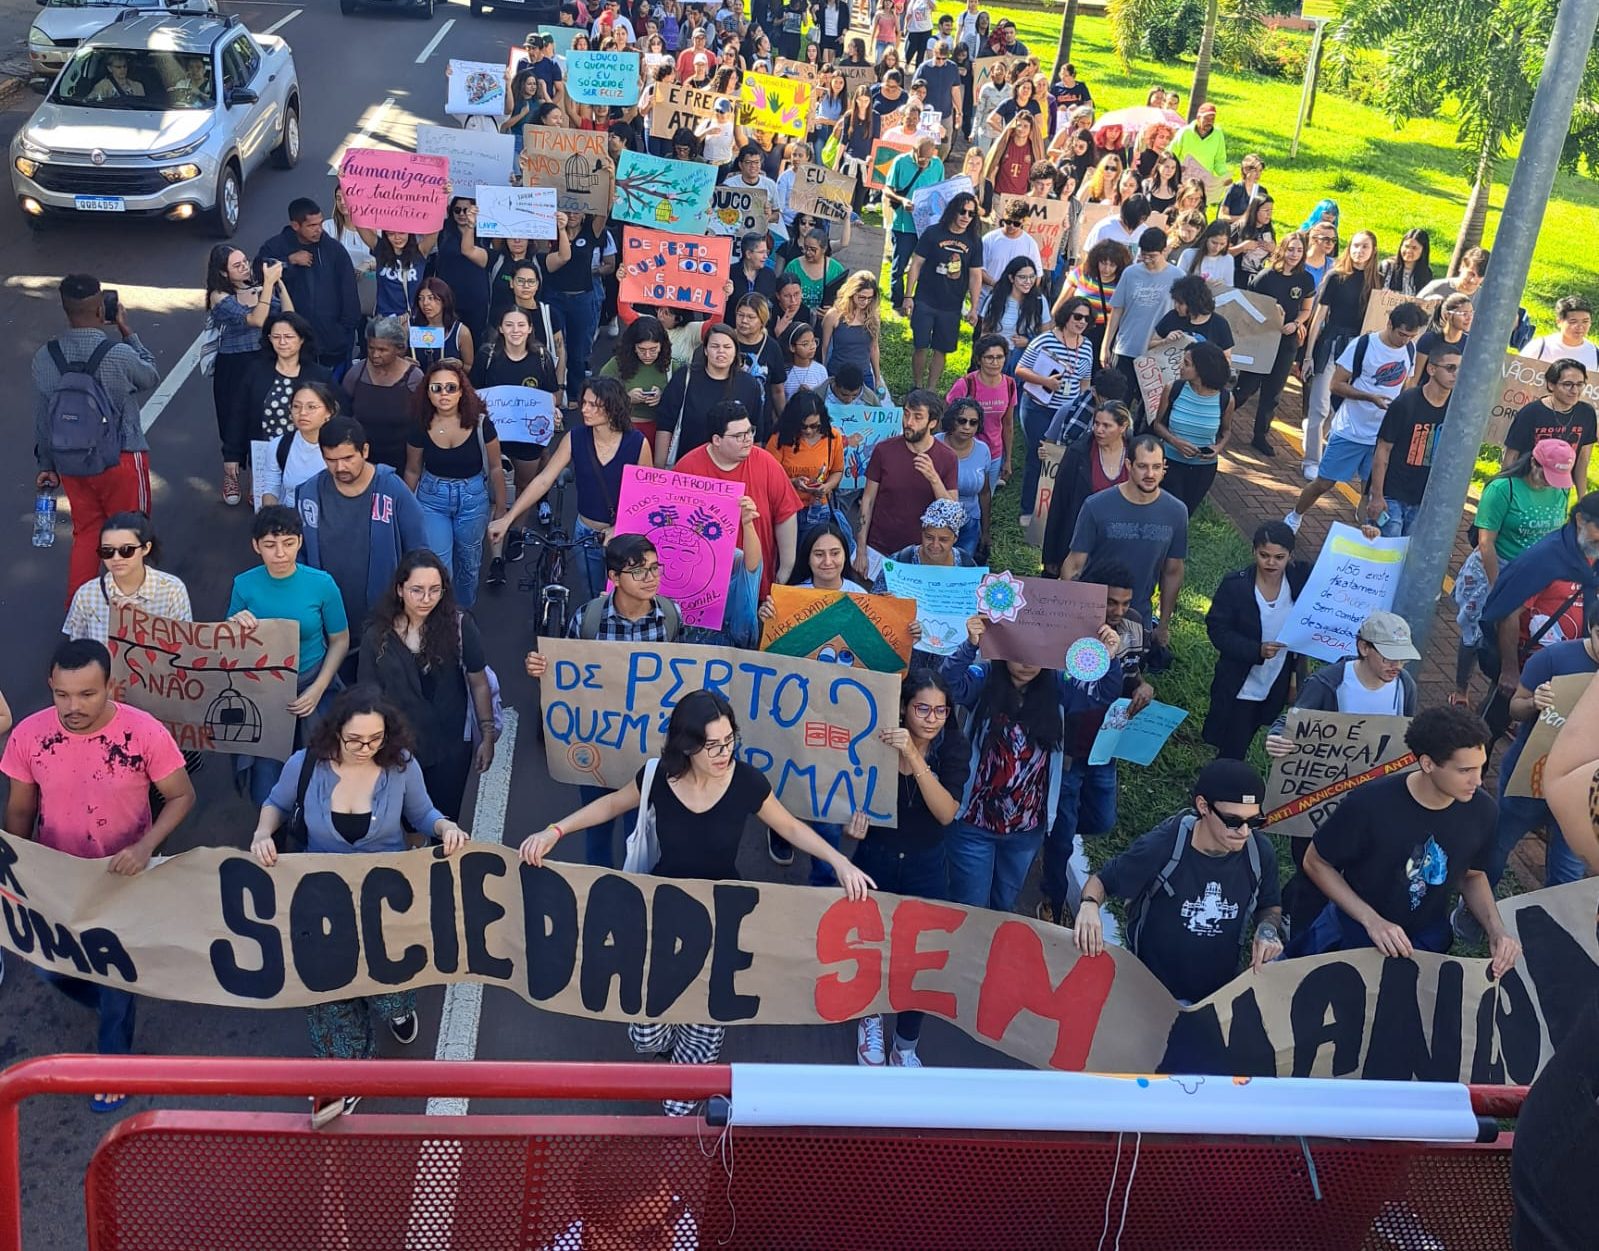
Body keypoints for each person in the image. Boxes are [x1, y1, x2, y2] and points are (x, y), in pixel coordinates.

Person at [520, 689, 872, 1113]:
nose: (724, 753)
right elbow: (611, 805)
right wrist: (554, 832)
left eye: (729, 742)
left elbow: (791, 828)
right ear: (686, 746)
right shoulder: (657, 778)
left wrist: (838, 862)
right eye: (713, 746)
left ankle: (683, 1099)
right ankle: (671, 1059)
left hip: (724, 927)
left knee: (693, 1059)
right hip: (662, 918)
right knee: (645, 1035)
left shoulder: (746, 782)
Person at [250, 687, 468, 1123]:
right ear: (336, 733)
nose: (366, 748)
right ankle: (349, 1069)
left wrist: (445, 827)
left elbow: (422, 814)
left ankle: (397, 1010)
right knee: (329, 996)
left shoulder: (401, 767)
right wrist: (261, 834)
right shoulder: (304, 765)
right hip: (320, 901)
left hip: (383, 903)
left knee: (388, 988)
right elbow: (275, 803)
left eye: (376, 740)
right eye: (356, 741)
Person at [2, 638, 194, 1107]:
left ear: (111, 686)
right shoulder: (28, 735)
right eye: (62, 695)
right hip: (57, 875)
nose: (73, 707)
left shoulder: (144, 732)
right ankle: (118, 998)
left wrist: (146, 847)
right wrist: (17, 881)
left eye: (87, 694)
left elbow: (182, 796)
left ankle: (114, 1066)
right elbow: (20, 811)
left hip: (124, 876)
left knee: (111, 973)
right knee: (52, 970)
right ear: (50, 685)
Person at [1287, 706, 1521, 982]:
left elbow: (1472, 874)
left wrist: (1496, 930)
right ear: (1428, 764)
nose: (1478, 780)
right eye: (1465, 770)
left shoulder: (1483, 811)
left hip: (1425, 939)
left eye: (1480, 767)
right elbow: (1316, 862)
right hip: (1354, 933)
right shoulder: (1369, 804)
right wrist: (1371, 920)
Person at [940, 613, 1124, 912]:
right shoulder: (985, 677)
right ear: (1002, 647)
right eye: (1018, 651)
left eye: (1038, 653)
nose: (1027, 663)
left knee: (1004, 907)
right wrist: (970, 645)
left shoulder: (1060, 687)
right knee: (969, 908)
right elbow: (948, 686)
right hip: (972, 823)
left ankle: (993, 958)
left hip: (1025, 831)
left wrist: (1110, 658)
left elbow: (1102, 693)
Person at [1075, 759, 1284, 1005]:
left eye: (1254, 822)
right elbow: (1101, 881)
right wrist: (1089, 905)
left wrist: (1267, 929)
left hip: (1216, 992)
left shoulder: (1259, 852)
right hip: (1148, 987)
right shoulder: (1162, 846)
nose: (1244, 832)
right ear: (1203, 806)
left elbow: (1269, 905)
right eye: (1233, 821)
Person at [849, 673, 971, 1067]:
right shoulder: (876, 739)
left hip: (927, 865)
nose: (931, 719)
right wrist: (850, 825)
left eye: (940, 711)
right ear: (904, 707)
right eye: (922, 709)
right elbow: (848, 791)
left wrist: (916, 756)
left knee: (919, 959)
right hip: (876, 858)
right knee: (870, 946)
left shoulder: (953, 748)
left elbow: (946, 812)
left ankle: (906, 1044)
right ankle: (869, 1020)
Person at [1036, 560, 1152, 927]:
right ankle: (1052, 898)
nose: (1118, 612)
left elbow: (1133, 673)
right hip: (1068, 750)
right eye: (1110, 604)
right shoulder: (1066, 628)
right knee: (1063, 839)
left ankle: (1051, 826)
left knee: (1102, 820)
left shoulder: (1134, 625)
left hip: (1106, 747)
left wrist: (1142, 687)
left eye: (1125, 603)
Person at [33, 274, 161, 599]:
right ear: (101, 306)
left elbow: (43, 416)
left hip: (71, 463)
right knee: (131, 534)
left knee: (88, 534)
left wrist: (46, 464)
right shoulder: (117, 354)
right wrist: (127, 332)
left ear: (66, 309)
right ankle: (131, 611)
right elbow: (149, 374)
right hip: (121, 459)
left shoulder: (46, 358)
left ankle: (79, 616)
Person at [360, 551, 497, 822]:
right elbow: (366, 695)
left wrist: (487, 735)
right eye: (417, 590)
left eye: (435, 590)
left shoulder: (460, 625)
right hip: (396, 747)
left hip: (450, 747)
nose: (426, 599)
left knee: (444, 822)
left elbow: (479, 683)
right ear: (400, 589)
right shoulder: (377, 635)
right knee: (400, 821)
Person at [490, 377, 651, 599]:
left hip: (624, 537)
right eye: (583, 402)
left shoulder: (638, 443)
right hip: (585, 533)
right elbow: (544, 480)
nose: (584, 409)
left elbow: (645, 496)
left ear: (613, 407)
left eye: (593, 404)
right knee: (593, 596)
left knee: (624, 598)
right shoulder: (575, 438)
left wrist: (620, 527)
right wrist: (508, 519)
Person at [297, 417, 429, 681]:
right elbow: (299, 555)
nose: (340, 467)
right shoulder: (310, 492)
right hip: (329, 622)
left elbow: (420, 553)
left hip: (384, 618)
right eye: (331, 460)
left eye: (348, 458)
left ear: (365, 451)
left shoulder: (391, 489)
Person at [1284, 300, 1427, 533]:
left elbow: (1405, 385)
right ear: (1390, 324)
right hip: (1351, 430)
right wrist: (1370, 397)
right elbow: (1336, 385)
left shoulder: (1409, 349)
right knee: (1324, 482)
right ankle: (1295, 516)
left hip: (1382, 437)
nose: (1405, 340)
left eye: (1411, 336)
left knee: (1373, 491)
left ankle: (1365, 533)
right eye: (1402, 334)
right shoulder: (1363, 345)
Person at [1062, 435, 1188, 653]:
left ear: (1164, 468)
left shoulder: (1176, 512)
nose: (1150, 474)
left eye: (1156, 467)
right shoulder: (1096, 506)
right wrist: (1069, 615)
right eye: (1143, 466)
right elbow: (1074, 564)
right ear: (1129, 465)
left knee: (1130, 678)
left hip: (1139, 618)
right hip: (1094, 615)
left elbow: (1173, 570)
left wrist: (1164, 624)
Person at [1474, 490, 1599, 701]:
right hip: (1529, 669)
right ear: (1580, 520)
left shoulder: (1592, 556)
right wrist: (1510, 670)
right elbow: (1509, 613)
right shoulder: (1545, 559)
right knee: (1504, 717)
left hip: (1570, 668)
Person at [1203, 521, 1312, 762]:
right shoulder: (1236, 586)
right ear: (1254, 552)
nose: (1271, 563)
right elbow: (1217, 629)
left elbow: (1338, 567)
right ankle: (1218, 788)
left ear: (1290, 557)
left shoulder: (1300, 578)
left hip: (1277, 681)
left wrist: (1370, 534)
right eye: (1264, 555)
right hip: (1240, 683)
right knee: (1233, 746)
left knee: (1253, 729)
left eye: (1279, 557)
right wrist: (1256, 650)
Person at [403, 362, 504, 611]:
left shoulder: (481, 424)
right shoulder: (419, 426)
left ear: (462, 392)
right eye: (437, 388)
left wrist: (502, 507)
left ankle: (464, 614)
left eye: (450, 387)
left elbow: (495, 467)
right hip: (431, 499)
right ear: (428, 393)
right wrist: (405, 507)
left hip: (473, 500)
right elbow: (413, 469)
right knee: (438, 564)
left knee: (469, 564)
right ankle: (442, 616)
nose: (444, 394)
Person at [675, 400, 800, 597]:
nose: (748, 439)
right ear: (717, 440)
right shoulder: (687, 468)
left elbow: (785, 514)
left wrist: (786, 567)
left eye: (750, 431)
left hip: (754, 583)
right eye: (739, 436)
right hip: (701, 586)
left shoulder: (766, 462)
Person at [206, 247, 289, 506]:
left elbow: (288, 315)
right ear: (223, 272)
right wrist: (267, 287)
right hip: (233, 364)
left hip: (262, 361)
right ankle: (231, 472)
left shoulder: (259, 288)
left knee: (261, 420)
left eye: (245, 262)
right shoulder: (218, 297)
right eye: (237, 265)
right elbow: (256, 319)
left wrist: (280, 285)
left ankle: (257, 477)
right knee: (232, 418)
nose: (245, 268)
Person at [1302, 230, 1380, 481]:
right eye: (1355, 246)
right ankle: (1312, 460)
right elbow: (1319, 317)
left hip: (1359, 350)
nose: (1359, 251)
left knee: (1339, 408)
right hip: (1332, 344)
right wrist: (1309, 354)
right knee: (1320, 404)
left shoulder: (1377, 282)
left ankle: (1315, 435)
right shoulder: (1336, 276)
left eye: (1365, 247)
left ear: (1373, 250)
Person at [854, 391, 959, 576]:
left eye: (918, 417)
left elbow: (952, 512)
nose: (908, 422)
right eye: (906, 413)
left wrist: (934, 478)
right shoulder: (884, 450)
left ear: (932, 423)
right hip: (878, 549)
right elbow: (868, 501)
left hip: (922, 555)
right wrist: (861, 549)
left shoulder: (947, 457)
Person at [1232, 232, 1315, 456]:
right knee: (1247, 386)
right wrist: (1270, 315)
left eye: (1299, 250)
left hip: (1286, 341)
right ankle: (1221, 420)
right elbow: (1249, 307)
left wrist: (1296, 323)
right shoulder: (1266, 277)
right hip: (1263, 338)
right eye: (1290, 249)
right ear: (1282, 250)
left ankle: (1260, 435)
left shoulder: (1306, 279)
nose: (1294, 255)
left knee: (1274, 390)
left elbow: (1306, 309)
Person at [255, 197, 361, 370]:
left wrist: (344, 331)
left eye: (320, 223)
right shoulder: (276, 246)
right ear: (296, 225)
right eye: (312, 226)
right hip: (293, 343)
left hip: (333, 342)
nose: (319, 229)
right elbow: (259, 272)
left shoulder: (334, 250)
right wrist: (288, 261)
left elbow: (349, 292)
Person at [1368, 343, 1460, 537]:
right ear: (1432, 369)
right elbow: (1383, 449)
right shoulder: (1406, 403)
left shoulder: (1457, 409)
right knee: (1385, 555)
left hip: (1423, 499)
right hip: (1392, 494)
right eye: (1450, 368)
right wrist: (1377, 495)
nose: (1456, 374)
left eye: (1460, 368)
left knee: (1409, 557)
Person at [63, 511, 192, 645]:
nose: (116, 558)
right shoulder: (87, 594)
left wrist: (147, 624)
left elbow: (183, 649)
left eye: (126, 550)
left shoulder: (172, 591)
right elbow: (78, 650)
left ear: (146, 548)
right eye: (107, 551)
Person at [903, 192, 985, 392]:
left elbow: (975, 276)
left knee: (942, 348)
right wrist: (908, 296)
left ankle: (931, 389)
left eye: (971, 214)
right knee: (920, 344)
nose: (966, 217)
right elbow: (916, 264)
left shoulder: (974, 241)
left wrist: (974, 308)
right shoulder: (933, 233)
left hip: (952, 304)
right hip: (925, 298)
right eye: (962, 211)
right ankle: (917, 385)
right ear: (952, 211)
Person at [1040, 398, 1132, 575]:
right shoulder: (1078, 453)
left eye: (1107, 425)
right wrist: (1051, 555)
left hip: (1120, 544)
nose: (1099, 430)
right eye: (1096, 423)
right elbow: (1060, 503)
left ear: (1123, 427)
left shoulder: (1135, 454)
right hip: (1080, 539)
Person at [653, 323, 766, 465]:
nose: (721, 351)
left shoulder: (749, 385)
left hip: (732, 470)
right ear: (705, 350)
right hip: (687, 467)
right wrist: (659, 469)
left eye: (727, 347)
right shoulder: (685, 377)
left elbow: (756, 435)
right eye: (715, 346)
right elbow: (665, 425)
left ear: (735, 350)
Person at [1101, 229, 1181, 418]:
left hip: (1158, 352)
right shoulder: (1130, 273)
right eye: (1143, 255)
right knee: (1119, 406)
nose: (1147, 260)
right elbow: (1117, 310)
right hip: (1127, 347)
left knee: (1151, 409)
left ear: (1164, 251)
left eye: (1152, 256)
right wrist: (1106, 345)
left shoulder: (1178, 276)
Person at [1148, 341, 1233, 514]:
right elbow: (1158, 425)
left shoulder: (1226, 398)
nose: (1180, 367)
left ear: (1202, 370)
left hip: (1203, 468)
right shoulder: (1173, 389)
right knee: (1167, 510)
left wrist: (1217, 448)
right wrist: (1175, 441)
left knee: (1186, 513)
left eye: (1186, 364)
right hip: (1171, 462)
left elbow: (1226, 431)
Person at [234, 312, 334, 451]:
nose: (282, 342)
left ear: (302, 339)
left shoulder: (321, 376)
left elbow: (337, 414)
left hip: (309, 454)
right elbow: (239, 414)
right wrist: (232, 455)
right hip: (264, 452)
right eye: (276, 337)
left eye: (289, 337)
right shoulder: (256, 371)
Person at [340, 317, 423, 472]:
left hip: (401, 460)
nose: (375, 354)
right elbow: (344, 413)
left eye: (383, 350)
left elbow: (422, 421)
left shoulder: (414, 378)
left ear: (398, 349)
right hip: (362, 460)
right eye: (371, 348)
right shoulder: (356, 374)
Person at [1501, 358, 1597, 491]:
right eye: (1567, 384)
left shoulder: (1586, 413)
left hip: (1560, 485)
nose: (1575, 391)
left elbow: (1583, 460)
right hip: (1526, 484)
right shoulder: (1531, 412)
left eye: (1580, 384)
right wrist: (1509, 491)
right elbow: (1511, 457)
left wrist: (1582, 500)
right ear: (1551, 385)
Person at [765, 390, 845, 535]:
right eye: (803, 426)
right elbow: (768, 478)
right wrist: (792, 482)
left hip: (818, 508)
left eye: (815, 426)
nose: (808, 431)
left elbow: (837, 471)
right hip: (786, 509)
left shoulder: (833, 437)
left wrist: (827, 487)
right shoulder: (779, 439)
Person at [883, 137, 945, 307]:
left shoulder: (938, 165)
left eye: (928, 159)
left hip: (926, 225)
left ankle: (918, 300)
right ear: (914, 151)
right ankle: (897, 302)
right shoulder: (900, 162)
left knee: (926, 265)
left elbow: (940, 191)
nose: (924, 162)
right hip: (904, 225)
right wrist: (902, 200)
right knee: (899, 264)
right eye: (921, 158)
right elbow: (887, 188)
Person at [934, 400, 992, 557]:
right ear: (951, 420)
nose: (967, 427)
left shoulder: (983, 450)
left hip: (969, 524)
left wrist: (985, 531)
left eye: (973, 422)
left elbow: (985, 493)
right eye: (962, 421)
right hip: (936, 525)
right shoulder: (934, 444)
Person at [410, 278, 475, 373]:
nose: (425, 303)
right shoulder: (409, 327)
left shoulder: (461, 332)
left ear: (444, 300)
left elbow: (471, 369)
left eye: (431, 298)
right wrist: (403, 363)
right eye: (421, 298)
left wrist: (460, 365)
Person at [1409, 292, 1473, 389]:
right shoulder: (1429, 340)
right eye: (1463, 314)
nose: (1469, 318)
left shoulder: (1469, 343)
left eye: (1471, 313)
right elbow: (1414, 379)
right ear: (1447, 315)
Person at [1527, 295, 1598, 370]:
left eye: (1585, 321)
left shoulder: (1595, 353)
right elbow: (1516, 377)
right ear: (1559, 322)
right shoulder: (1540, 347)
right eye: (1573, 321)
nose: (1580, 327)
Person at [1169, 101, 1226, 176]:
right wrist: (1177, 169)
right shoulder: (1185, 132)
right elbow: (1171, 154)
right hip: (1183, 178)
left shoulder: (1218, 134)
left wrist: (1224, 176)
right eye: (1206, 118)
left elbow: (1219, 161)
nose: (1209, 122)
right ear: (1198, 118)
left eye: (1212, 119)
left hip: (1204, 181)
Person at [1378, 228, 1433, 296]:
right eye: (1406, 246)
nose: (1409, 251)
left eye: (1414, 248)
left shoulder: (1426, 272)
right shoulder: (1386, 267)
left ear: (1423, 251)